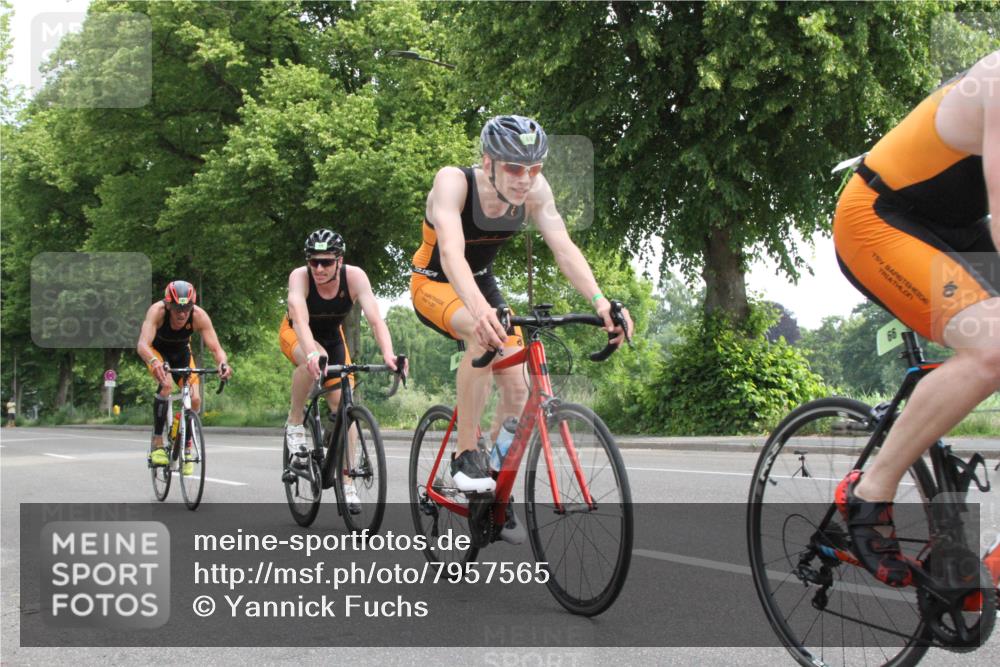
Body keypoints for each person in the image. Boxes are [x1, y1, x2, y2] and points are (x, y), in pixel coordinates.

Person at [833, 51, 1000, 586]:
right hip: (878, 218)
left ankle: (975, 563)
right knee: (993, 346)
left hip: (954, 227)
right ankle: (868, 492)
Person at [410, 114, 633, 505]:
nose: (524, 178)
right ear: (487, 162)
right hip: (435, 281)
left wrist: (600, 302)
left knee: (518, 390)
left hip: (481, 281)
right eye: (514, 167)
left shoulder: (535, 190)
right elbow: (450, 255)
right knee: (482, 337)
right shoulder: (453, 182)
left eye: (534, 168)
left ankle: (494, 479)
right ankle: (466, 455)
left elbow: (563, 247)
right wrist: (481, 313)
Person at [281, 229, 405, 513]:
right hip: (297, 332)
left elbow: (375, 318)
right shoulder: (299, 277)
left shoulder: (355, 277)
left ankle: (347, 482)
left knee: (344, 409)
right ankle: (295, 420)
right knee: (316, 360)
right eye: (314, 262)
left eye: (326, 262)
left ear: (340, 260)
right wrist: (310, 352)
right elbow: (299, 319)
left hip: (333, 336)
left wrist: (388, 354)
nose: (319, 268)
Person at [137, 280, 233, 473]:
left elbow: (216, 348)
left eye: (187, 307)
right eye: (177, 308)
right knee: (166, 386)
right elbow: (142, 345)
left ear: (192, 305)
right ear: (168, 305)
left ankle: (186, 446)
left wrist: (223, 364)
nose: (182, 313)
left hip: (181, 353)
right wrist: (154, 362)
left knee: (195, 399)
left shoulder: (198, 316)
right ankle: (157, 442)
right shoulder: (157, 312)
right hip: (158, 352)